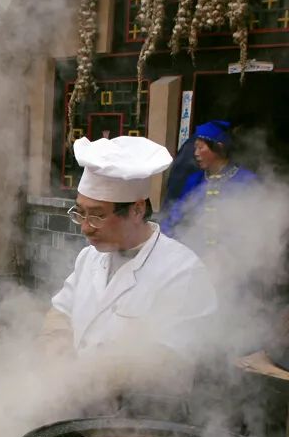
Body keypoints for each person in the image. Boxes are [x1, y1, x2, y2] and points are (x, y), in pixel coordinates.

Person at [42, 136, 217, 388]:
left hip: (139, 417)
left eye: (97, 216)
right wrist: (55, 346)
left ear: (136, 210)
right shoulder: (89, 257)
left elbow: (171, 359)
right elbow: (61, 311)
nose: (85, 227)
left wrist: (92, 376)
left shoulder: (182, 271)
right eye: (80, 212)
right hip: (77, 403)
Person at [159, 120, 258, 252]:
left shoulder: (247, 181)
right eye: (195, 148)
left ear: (219, 147)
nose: (195, 153)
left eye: (200, 148)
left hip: (234, 260)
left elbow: (256, 226)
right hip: (198, 258)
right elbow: (176, 216)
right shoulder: (194, 181)